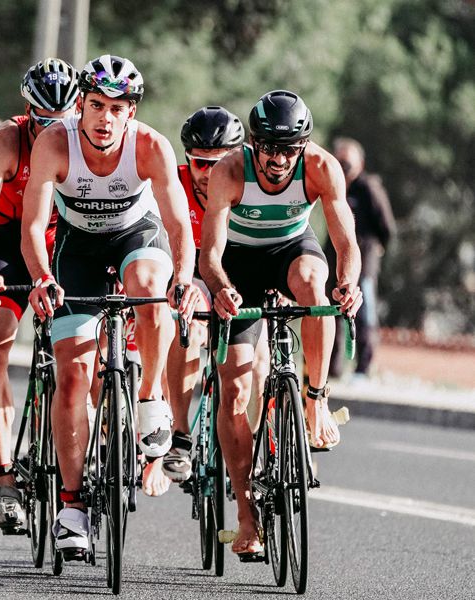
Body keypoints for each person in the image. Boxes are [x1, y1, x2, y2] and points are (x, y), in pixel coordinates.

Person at [20, 54, 201, 553]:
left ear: (132, 112)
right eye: (95, 105)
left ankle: (149, 399)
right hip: (76, 248)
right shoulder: (54, 143)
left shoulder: (150, 147)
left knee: (149, 282)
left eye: (117, 108)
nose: (104, 119)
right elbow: (34, 227)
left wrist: (184, 277)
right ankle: (72, 505)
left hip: (135, 237)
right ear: (79, 105)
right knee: (73, 376)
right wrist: (39, 277)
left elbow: (179, 225)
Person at [199, 90, 362, 559]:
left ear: (303, 147)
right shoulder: (229, 170)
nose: (278, 159)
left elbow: (344, 238)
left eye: (289, 149)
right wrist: (223, 288)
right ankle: (247, 518)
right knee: (235, 389)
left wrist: (348, 284)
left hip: (293, 250)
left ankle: (315, 399)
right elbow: (210, 252)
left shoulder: (321, 168)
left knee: (316, 283)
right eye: (269, 147)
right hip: (240, 265)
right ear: (254, 143)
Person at [0, 58, 79, 533]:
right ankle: (4, 478)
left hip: (64, 236)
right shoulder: (6, 141)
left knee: (86, 345)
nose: (51, 129)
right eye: (42, 120)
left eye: (61, 121)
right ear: (26, 111)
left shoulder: (86, 139)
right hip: (8, 236)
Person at [159, 106, 245, 485]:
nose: (209, 175)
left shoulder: (249, 185)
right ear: (186, 160)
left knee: (255, 359)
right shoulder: (171, 186)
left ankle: (251, 439)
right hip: (189, 273)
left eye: (219, 164)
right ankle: (180, 435)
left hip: (236, 275)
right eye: (199, 164)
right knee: (188, 322)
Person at [327, 137, 394, 380]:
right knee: (331, 313)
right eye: (339, 163)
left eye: (347, 164)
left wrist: (376, 250)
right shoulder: (333, 186)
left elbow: (386, 226)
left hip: (364, 265)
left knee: (363, 315)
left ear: (360, 164)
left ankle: (362, 369)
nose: (343, 169)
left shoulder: (369, 188)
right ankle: (332, 368)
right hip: (334, 264)